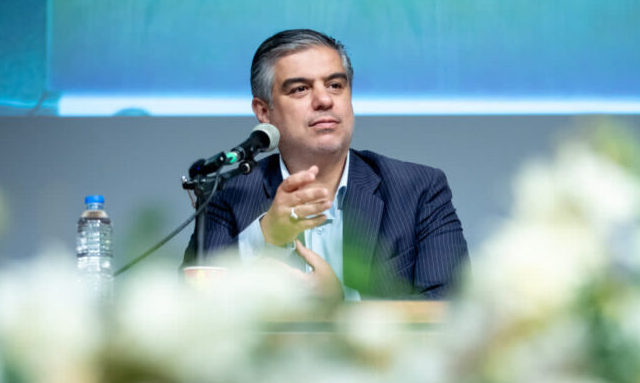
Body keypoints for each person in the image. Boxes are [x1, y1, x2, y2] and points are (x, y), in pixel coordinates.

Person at [183, 29, 468, 299]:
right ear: (264, 111)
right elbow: (195, 308)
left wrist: (343, 306)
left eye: (335, 85)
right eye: (300, 89)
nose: (324, 100)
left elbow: (450, 306)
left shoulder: (419, 190)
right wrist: (267, 235)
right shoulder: (228, 195)